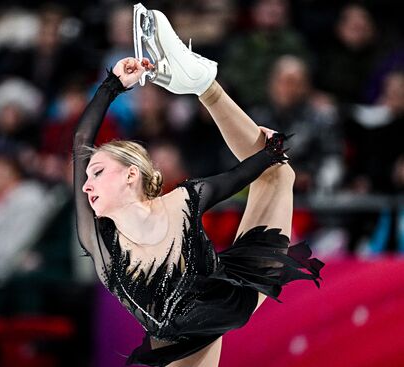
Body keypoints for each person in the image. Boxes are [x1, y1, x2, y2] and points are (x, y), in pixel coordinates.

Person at [73, 7, 323, 367]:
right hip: (179, 340)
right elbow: (81, 139)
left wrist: (269, 155)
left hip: (231, 296)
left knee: (279, 174)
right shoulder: (97, 238)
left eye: (96, 172)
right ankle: (201, 82)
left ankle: (205, 84)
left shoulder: (182, 200)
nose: (85, 186)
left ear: (130, 175)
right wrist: (112, 84)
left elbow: (236, 179)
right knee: (277, 173)